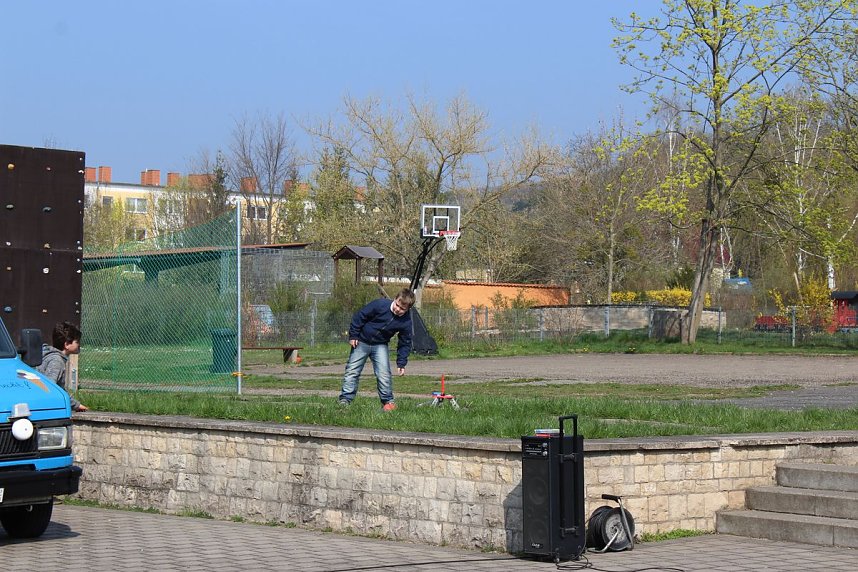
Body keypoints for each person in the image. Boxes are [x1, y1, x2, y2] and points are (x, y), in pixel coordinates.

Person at [337, 288, 415, 411]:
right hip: (361, 341)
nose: (398, 310)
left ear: (408, 309)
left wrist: (401, 362)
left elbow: (405, 342)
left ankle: (388, 402)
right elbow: (360, 316)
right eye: (397, 305)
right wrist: (353, 335)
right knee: (352, 370)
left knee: (384, 374)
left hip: (380, 345)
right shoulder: (379, 305)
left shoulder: (406, 322)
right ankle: (345, 399)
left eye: (402, 309)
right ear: (394, 300)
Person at [37, 321, 89, 412]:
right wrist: (75, 405)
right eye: (77, 342)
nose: (79, 345)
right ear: (67, 345)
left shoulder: (50, 356)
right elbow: (50, 387)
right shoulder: (56, 361)